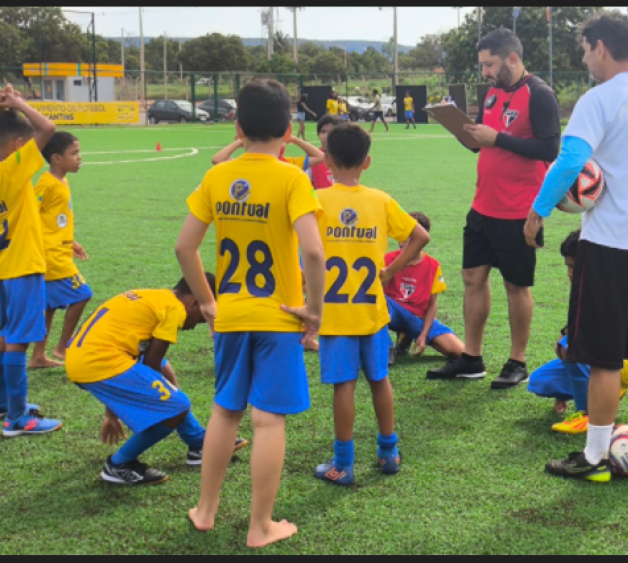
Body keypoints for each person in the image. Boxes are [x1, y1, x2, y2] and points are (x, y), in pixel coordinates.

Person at [525, 11, 628, 482]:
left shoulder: (599, 99)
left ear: (599, 46)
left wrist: (536, 212)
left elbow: (571, 159)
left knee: (601, 356)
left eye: (583, 50)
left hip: (608, 246)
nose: (583, 59)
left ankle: (594, 458)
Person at [177, 79, 326, 548]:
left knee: (224, 412)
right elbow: (315, 254)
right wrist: (314, 312)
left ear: (238, 127)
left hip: (233, 315)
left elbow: (185, 247)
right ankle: (260, 526)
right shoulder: (292, 178)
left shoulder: (217, 177)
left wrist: (206, 301)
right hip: (278, 317)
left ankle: (205, 510)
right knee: (268, 421)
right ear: (288, 130)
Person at [428, 28, 561, 390]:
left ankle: (517, 362)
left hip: (520, 210)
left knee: (516, 285)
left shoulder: (540, 94)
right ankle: (472, 358)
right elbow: (482, 145)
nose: (485, 72)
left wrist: (497, 138)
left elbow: (550, 149)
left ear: (512, 59)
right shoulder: (491, 94)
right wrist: (462, 131)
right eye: (483, 65)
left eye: (489, 64)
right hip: (482, 205)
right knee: (473, 278)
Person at [313, 123, 430, 486]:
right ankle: (388, 453)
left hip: (335, 314)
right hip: (373, 312)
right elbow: (419, 235)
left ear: (327, 160)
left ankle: (343, 464)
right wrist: (389, 271)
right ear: (367, 162)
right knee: (380, 380)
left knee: (343, 385)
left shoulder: (316, 198)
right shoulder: (379, 199)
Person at [64, 275, 248, 485]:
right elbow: (151, 364)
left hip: (83, 358)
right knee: (177, 405)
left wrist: (112, 415)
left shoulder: (154, 296)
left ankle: (198, 443)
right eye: (202, 316)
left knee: (166, 372)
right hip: (99, 363)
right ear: (195, 302)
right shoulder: (174, 309)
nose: (198, 323)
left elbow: (151, 361)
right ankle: (119, 465)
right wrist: (171, 404)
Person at [527, 230, 628, 433]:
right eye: (568, 266)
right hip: (600, 355)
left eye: (574, 266)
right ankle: (609, 392)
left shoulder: (609, 285)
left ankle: (587, 414)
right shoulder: (584, 286)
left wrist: (566, 341)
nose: (569, 273)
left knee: (570, 345)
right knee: (539, 381)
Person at [0, 85, 63, 436]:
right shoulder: (10, 170)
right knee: (18, 341)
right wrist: (20, 104)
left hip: (2, 268)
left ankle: (5, 403)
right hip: (22, 266)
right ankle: (17, 418)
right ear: (16, 148)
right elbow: (47, 129)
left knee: (4, 336)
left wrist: (10, 106)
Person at [28, 132, 92, 369]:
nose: (79, 158)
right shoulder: (46, 183)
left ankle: (38, 357)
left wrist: (71, 242)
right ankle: (62, 346)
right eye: (73, 153)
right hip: (51, 256)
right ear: (56, 158)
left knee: (49, 306)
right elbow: (30, 213)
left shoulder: (62, 181)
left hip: (59, 250)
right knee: (83, 294)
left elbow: (55, 220)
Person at [385, 212, 464, 364]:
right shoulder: (387, 259)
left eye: (409, 237)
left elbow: (433, 304)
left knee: (459, 351)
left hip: (417, 317)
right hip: (391, 311)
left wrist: (423, 335)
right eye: (401, 235)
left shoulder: (433, 266)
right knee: (375, 299)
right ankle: (386, 347)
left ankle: (407, 333)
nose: (402, 242)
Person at [212, 134, 324, 172]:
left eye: (282, 141)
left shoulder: (290, 163)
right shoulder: (247, 162)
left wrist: (295, 139)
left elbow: (319, 156)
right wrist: (241, 141)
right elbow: (217, 160)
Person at [307, 114, 342, 190]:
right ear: (318, 134)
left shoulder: (344, 156)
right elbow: (306, 184)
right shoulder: (312, 156)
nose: (326, 135)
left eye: (331, 132)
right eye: (323, 131)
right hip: (320, 200)